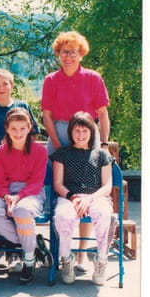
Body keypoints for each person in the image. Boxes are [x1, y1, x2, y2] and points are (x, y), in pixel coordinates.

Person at [41, 30, 111, 273]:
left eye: (73, 52)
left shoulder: (93, 77)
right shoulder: (51, 80)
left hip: (87, 132)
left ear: (81, 54)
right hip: (59, 132)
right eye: (63, 52)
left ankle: (81, 255)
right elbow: (47, 115)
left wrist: (103, 143)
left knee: (88, 189)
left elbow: (102, 113)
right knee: (60, 192)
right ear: (58, 54)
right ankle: (61, 253)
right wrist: (59, 145)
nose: (68, 56)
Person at [0, 108, 48, 284]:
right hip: (4, 192)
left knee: (22, 210)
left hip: (31, 192)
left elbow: (36, 182)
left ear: (29, 127)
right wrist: (6, 197)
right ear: (7, 129)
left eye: (22, 128)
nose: (18, 133)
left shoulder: (40, 151)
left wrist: (18, 198)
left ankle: (29, 260)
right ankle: (33, 242)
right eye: (13, 129)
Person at [51, 112, 114, 286]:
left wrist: (89, 199)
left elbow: (107, 186)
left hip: (96, 197)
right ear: (70, 132)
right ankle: (67, 259)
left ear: (92, 132)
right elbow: (58, 184)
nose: (80, 135)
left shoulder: (101, 155)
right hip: (69, 197)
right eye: (77, 131)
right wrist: (73, 197)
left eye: (85, 131)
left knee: (103, 214)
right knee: (63, 216)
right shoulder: (62, 154)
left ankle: (101, 260)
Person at [0, 68, 39, 168]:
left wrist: (20, 149)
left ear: (12, 86)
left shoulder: (23, 106)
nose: (1, 88)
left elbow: (33, 133)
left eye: (5, 84)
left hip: (20, 160)